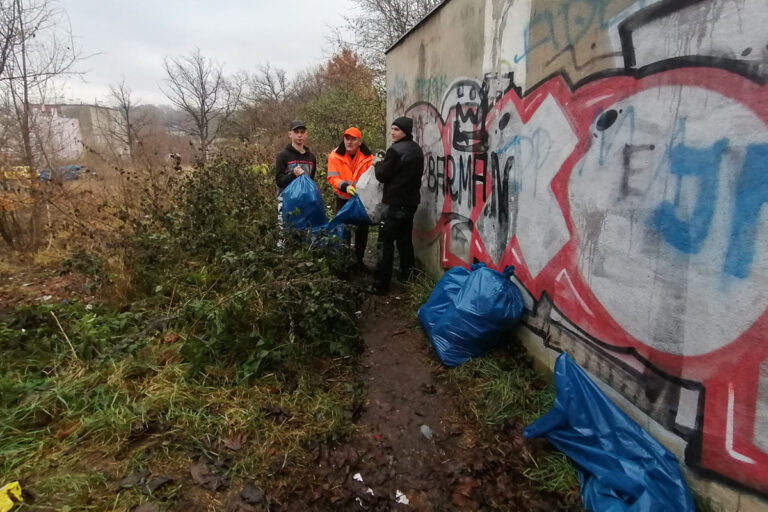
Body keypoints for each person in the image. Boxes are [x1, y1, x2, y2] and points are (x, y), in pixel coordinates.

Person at [371, 116, 424, 294]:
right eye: (392, 129)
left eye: (397, 130)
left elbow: (382, 175)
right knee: (404, 240)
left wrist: (377, 164)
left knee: (385, 243)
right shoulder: (416, 149)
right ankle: (408, 276)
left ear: (405, 132)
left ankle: (381, 284)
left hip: (394, 204)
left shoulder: (395, 151)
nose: (392, 132)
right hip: (410, 204)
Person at [327, 126, 374, 269]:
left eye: (353, 139)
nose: (349, 142)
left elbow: (372, 179)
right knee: (343, 229)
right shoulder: (335, 155)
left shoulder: (369, 158)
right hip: (343, 198)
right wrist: (344, 186)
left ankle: (359, 260)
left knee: (362, 230)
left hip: (362, 199)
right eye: (347, 139)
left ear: (360, 141)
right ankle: (343, 261)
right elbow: (332, 177)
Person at [274, 119, 317, 226]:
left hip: (305, 202)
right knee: (285, 233)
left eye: (302, 132)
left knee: (305, 232)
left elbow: (311, 180)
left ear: (306, 134)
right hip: (286, 201)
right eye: (296, 132)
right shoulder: (283, 155)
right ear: (290, 134)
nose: (299, 135)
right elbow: (279, 181)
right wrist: (293, 175)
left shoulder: (311, 157)